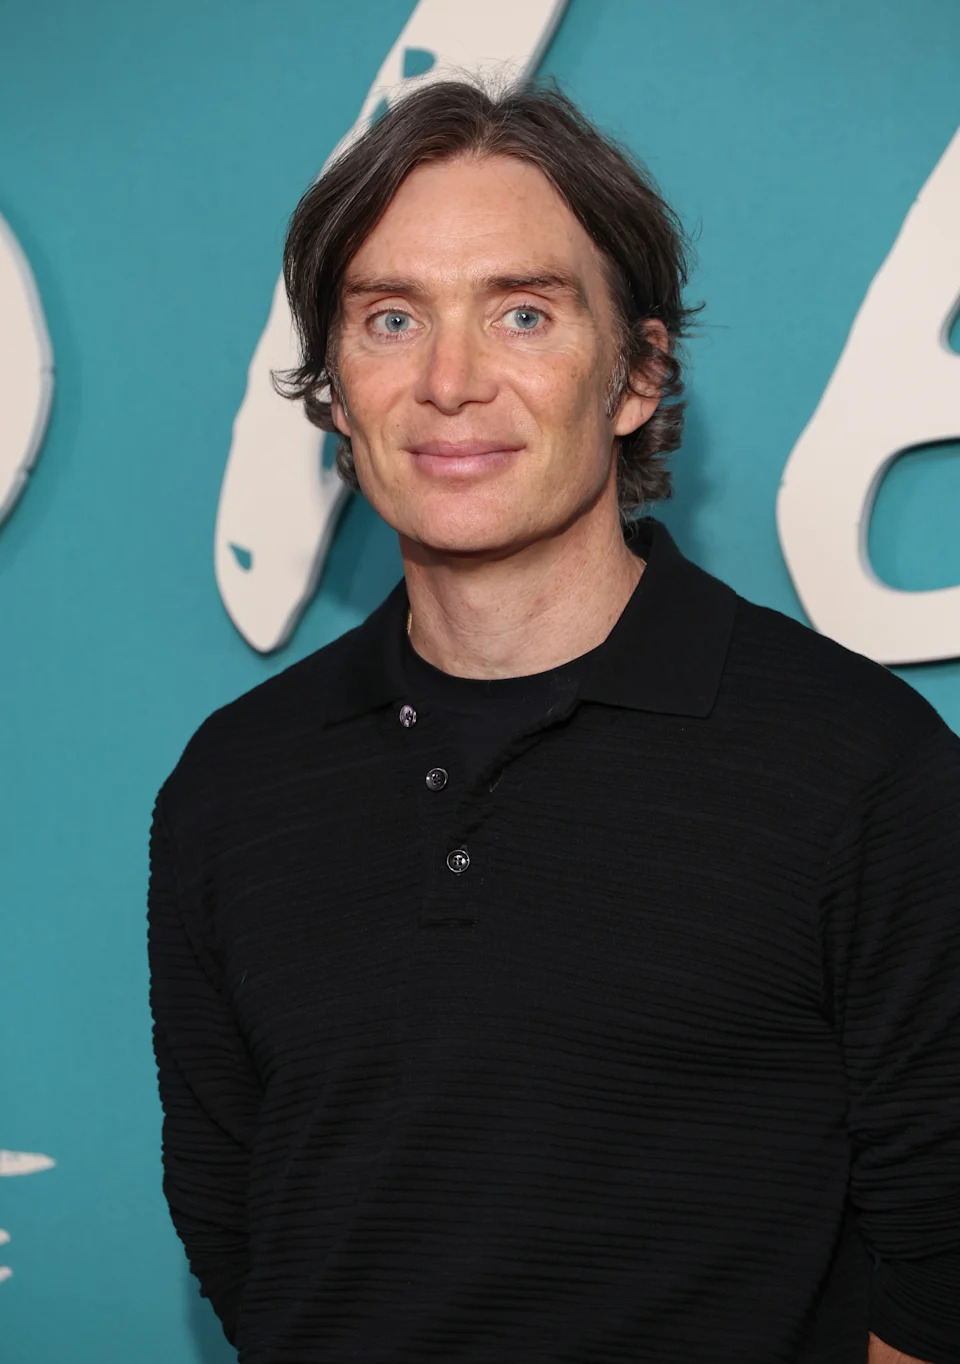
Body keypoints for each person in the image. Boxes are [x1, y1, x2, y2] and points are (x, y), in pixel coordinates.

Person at [147, 80, 960, 1364]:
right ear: (334, 388)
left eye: (523, 312)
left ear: (635, 373)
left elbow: (939, 1262)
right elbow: (243, 1221)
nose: (450, 382)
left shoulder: (857, 759)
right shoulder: (234, 782)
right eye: (391, 318)